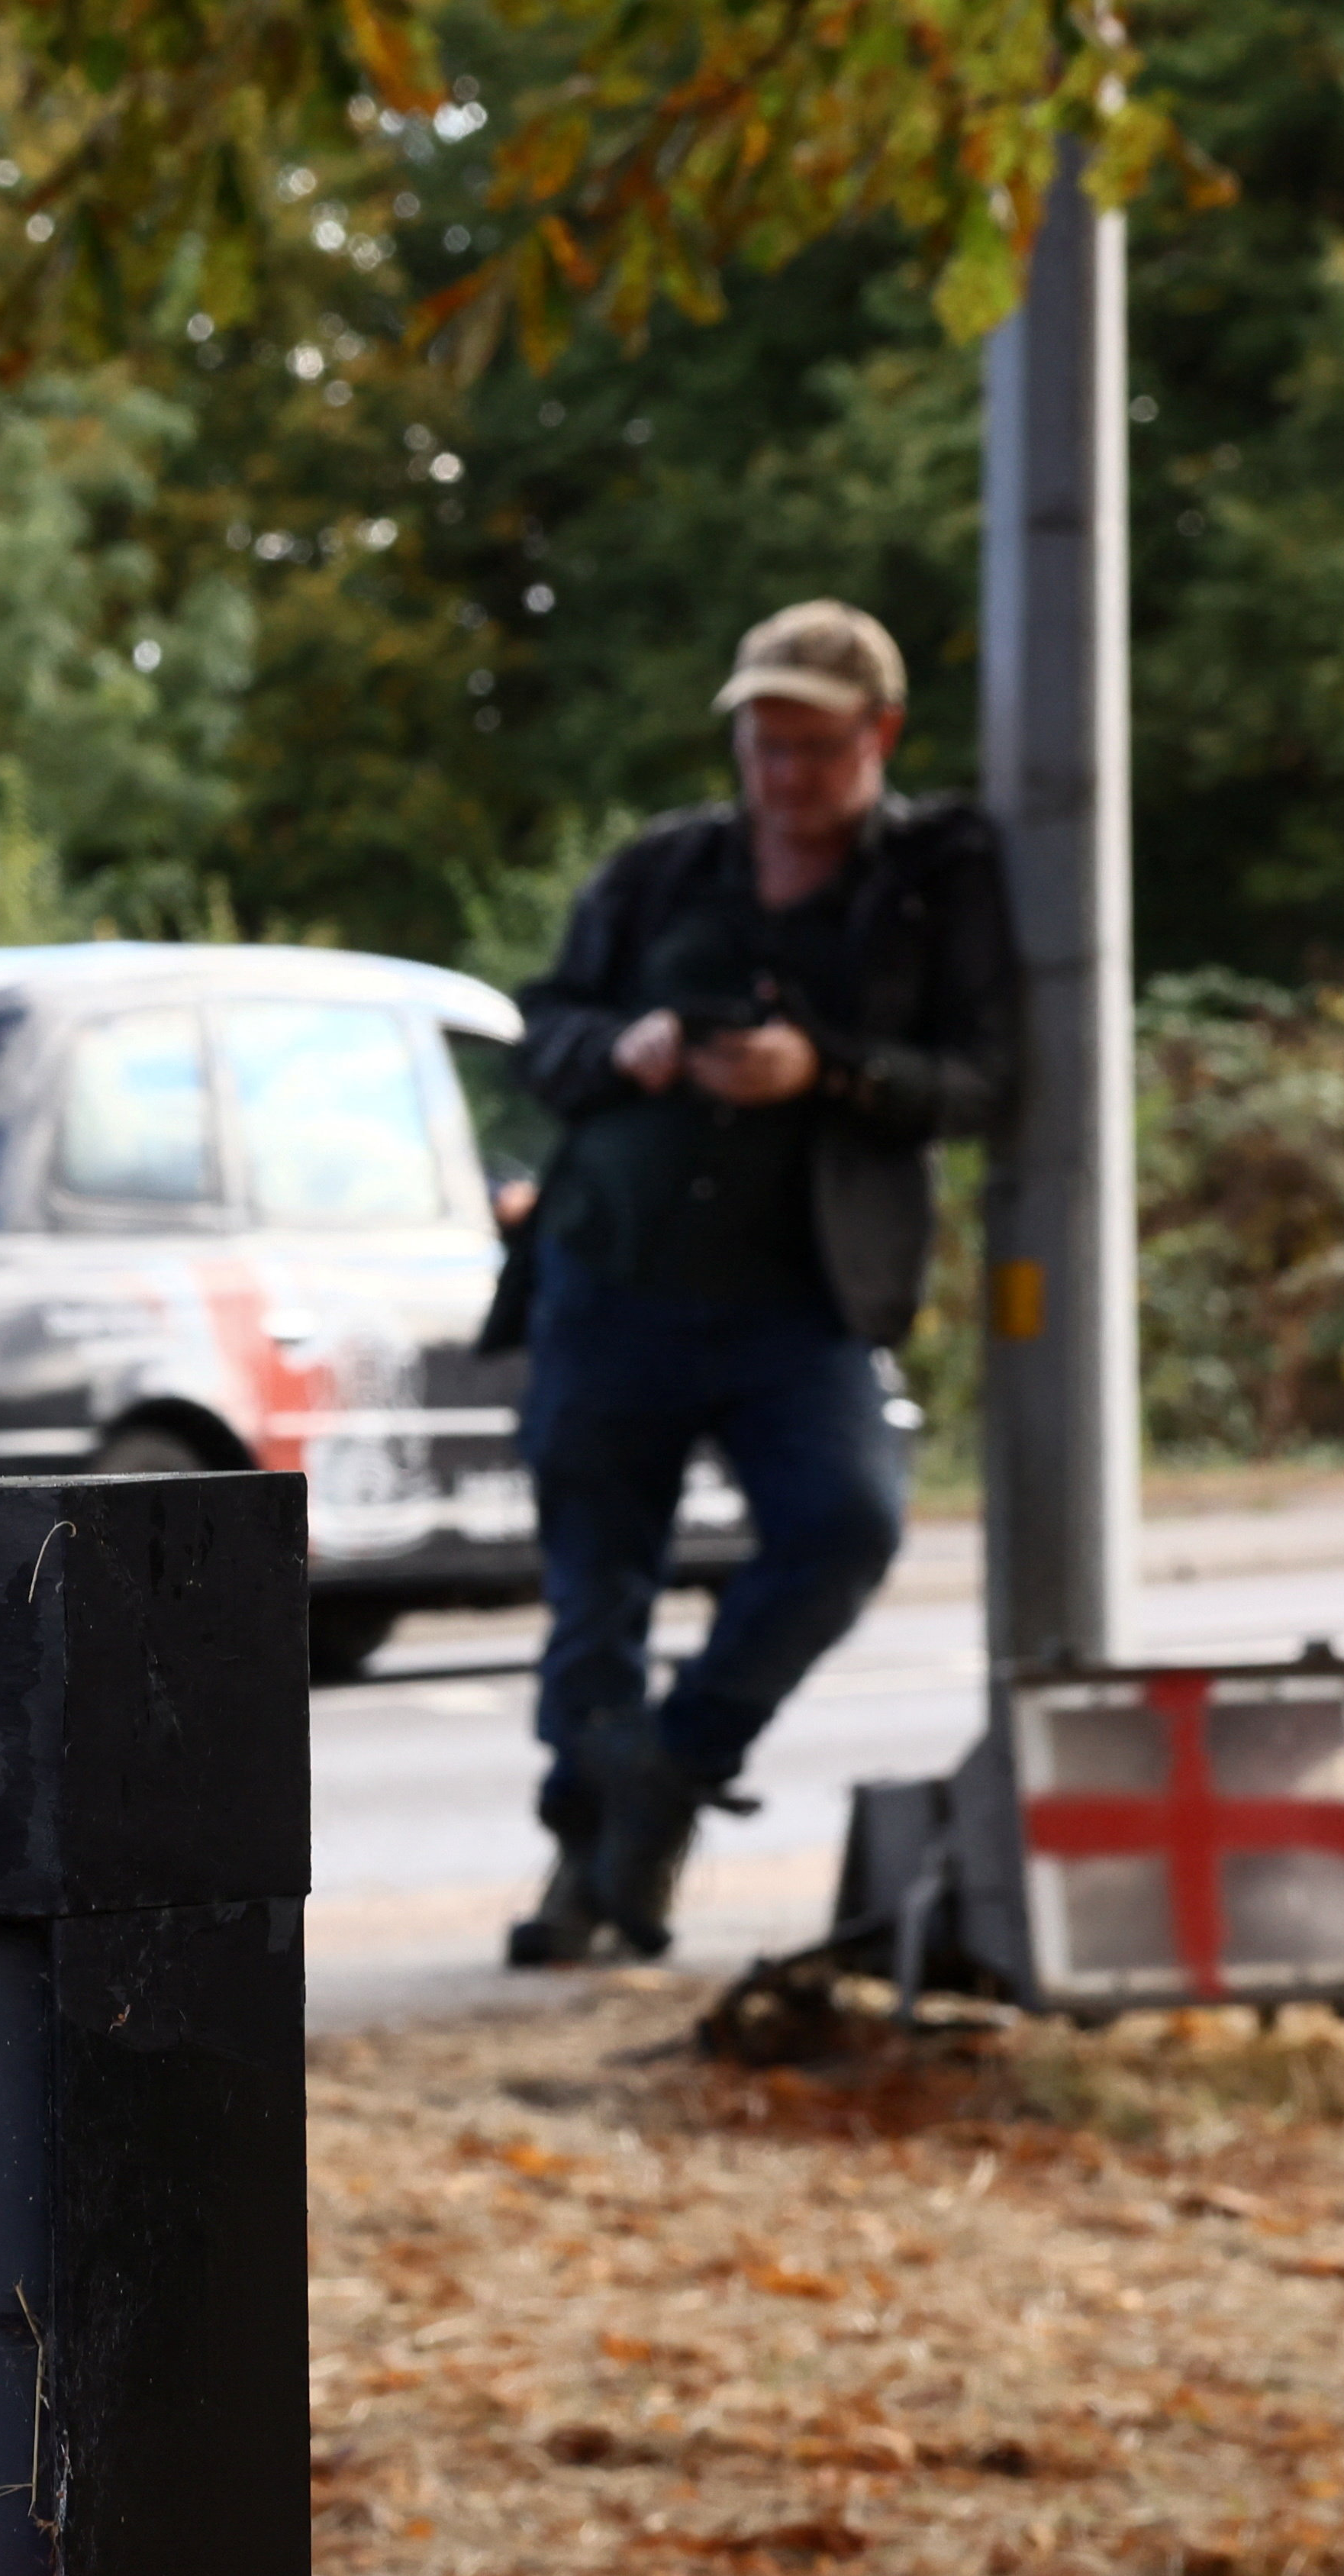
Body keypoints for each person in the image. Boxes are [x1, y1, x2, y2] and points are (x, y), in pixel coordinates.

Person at [501, 600, 1020, 1965]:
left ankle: (674, 1762)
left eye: (810, 746)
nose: (781, 776)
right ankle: (589, 1863)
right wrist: (635, 1047)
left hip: (803, 1299)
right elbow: (539, 1030)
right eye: (759, 744)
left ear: (878, 739)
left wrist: (826, 1069)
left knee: (844, 1522)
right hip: (611, 1274)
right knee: (594, 1585)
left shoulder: (931, 878)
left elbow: (983, 1079)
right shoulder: (665, 870)